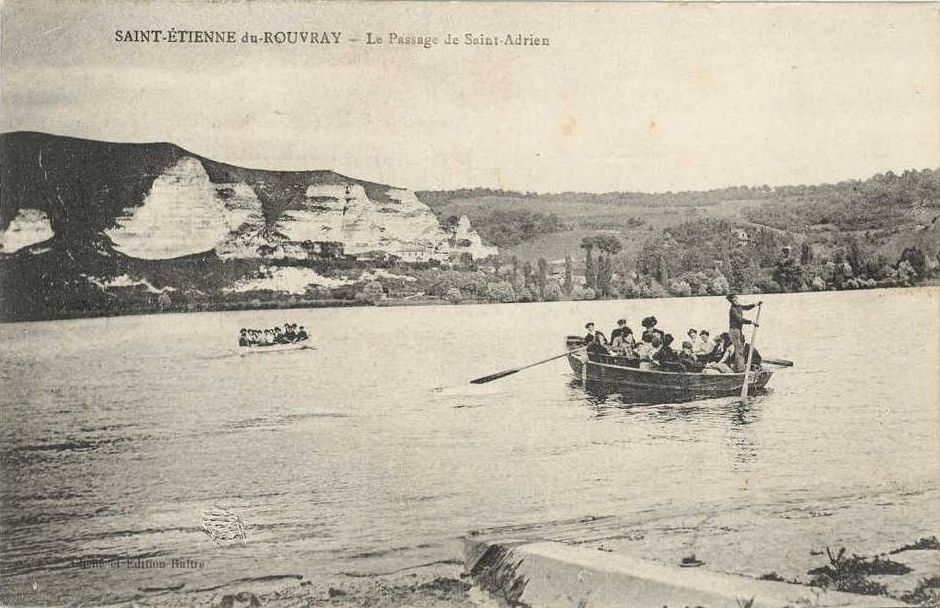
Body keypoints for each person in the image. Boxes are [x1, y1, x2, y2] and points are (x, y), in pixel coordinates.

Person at [727, 294, 761, 372]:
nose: (736, 301)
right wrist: (752, 322)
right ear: (732, 302)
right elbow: (740, 320)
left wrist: (756, 304)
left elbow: (746, 307)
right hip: (734, 331)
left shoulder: (739, 306)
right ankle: (740, 369)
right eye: (734, 300)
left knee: (739, 349)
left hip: (738, 331)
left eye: (737, 299)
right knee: (739, 350)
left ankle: (737, 367)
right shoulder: (733, 309)